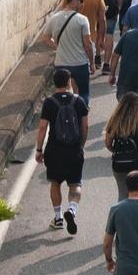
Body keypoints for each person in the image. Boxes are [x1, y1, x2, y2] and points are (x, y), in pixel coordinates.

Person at [35, 67, 89, 236]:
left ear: (54, 83)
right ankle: (72, 210)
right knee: (75, 184)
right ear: (68, 83)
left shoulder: (49, 103)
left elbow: (43, 127)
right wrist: (81, 144)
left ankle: (58, 218)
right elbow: (85, 125)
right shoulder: (79, 101)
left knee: (55, 183)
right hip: (74, 150)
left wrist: (39, 149)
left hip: (54, 150)